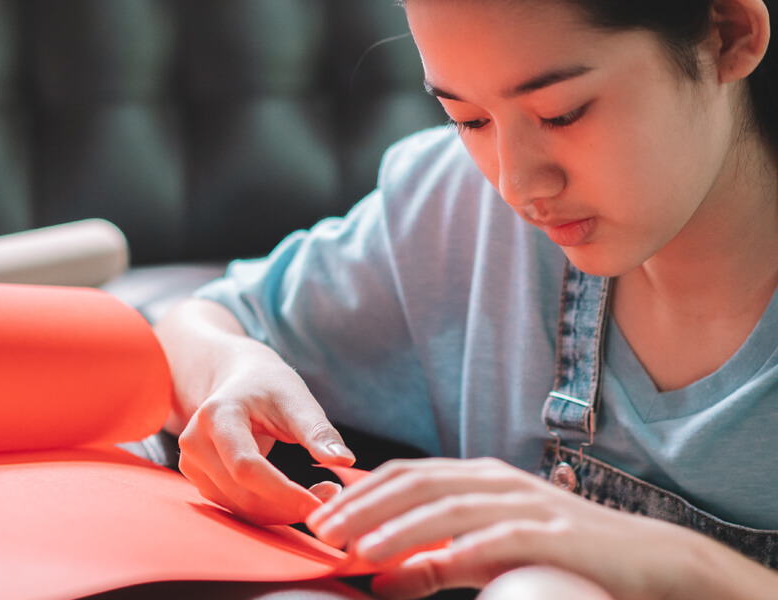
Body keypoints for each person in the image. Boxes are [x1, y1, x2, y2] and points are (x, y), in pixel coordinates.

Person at [154, 0, 778, 598]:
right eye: (469, 120)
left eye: (562, 113)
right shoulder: (459, 213)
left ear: (727, 34)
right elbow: (199, 320)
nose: (516, 184)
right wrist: (232, 371)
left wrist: (677, 564)